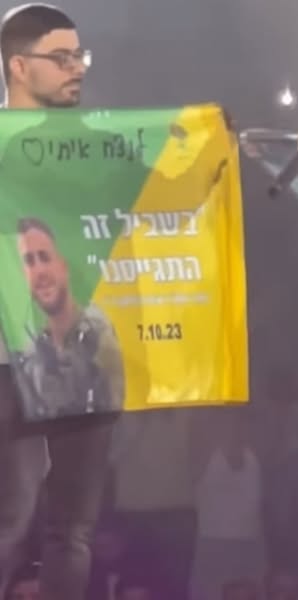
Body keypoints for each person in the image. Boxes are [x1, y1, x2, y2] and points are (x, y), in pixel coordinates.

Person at [0, 4, 120, 600]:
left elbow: (173, 190)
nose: (78, 68)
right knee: (10, 515)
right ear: (19, 66)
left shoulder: (95, 146)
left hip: (81, 353)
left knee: (73, 529)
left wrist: (206, 144)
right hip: (6, 359)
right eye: (62, 57)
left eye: (81, 56)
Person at [12, 217, 124, 420]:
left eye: (45, 257)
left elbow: (121, 417)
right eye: (29, 261)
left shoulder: (99, 336)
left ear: (63, 266)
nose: (39, 271)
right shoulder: (31, 355)